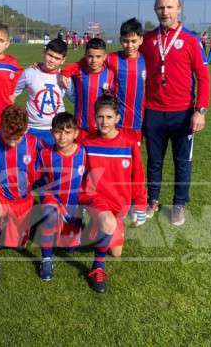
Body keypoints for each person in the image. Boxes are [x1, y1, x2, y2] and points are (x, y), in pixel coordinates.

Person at [140, 0, 210, 225]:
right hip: (153, 112)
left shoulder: (190, 40)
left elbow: (203, 77)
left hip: (183, 113)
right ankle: (152, 200)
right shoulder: (148, 40)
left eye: (170, 7)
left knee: (182, 162)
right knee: (154, 161)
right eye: (161, 8)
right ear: (155, 10)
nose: (165, 12)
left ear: (179, 9)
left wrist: (200, 110)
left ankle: (179, 204)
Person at [81, 95, 147, 293]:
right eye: (100, 117)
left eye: (109, 117)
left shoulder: (129, 143)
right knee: (107, 222)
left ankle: (97, 229)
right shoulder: (87, 141)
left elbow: (138, 176)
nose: (104, 122)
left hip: (119, 204)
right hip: (94, 198)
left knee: (116, 252)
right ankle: (97, 269)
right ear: (94, 117)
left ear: (118, 118)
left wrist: (140, 205)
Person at [0, 105, 42, 289]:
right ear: (0, 127)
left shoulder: (35, 143)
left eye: (18, 138)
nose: (13, 143)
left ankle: (25, 225)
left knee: (17, 243)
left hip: (23, 201)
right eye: (8, 137)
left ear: (26, 129)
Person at [35, 112, 87, 281]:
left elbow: (90, 179)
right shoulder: (45, 154)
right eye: (58, 132)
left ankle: (73, 230)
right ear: (52, 132)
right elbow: (37, 179)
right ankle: (46, 259)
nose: (62, 137)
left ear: (76, 133)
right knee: (49, 216)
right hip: (52, 199)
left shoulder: (83, 153)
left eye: (67, 132)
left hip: (74, 204)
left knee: (70, 247)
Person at [12, 38, 68, 146]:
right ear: (44, 53)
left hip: (57, 130)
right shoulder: (29, 73)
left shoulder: (65, 78)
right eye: (50, 55)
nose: (52, 60)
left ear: (63, 60)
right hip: (31, 129)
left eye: (57, 58)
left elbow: (77, 99)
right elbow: (13, 94)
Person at [60, 37, 115, 141]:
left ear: (104, 57)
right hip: (81, 127)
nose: (94, 60)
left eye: (98, 57)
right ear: (85, 56)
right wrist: (64, 72)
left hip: (102, 128)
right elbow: (57, 70)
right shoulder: (79, 72)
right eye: (90, 56)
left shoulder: (110, 74)